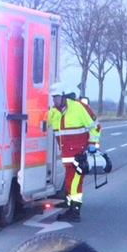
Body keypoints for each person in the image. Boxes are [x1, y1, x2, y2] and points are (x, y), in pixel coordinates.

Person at [46, 82, 101, 222]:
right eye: (53, 98)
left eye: (56, 97)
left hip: (80, 156)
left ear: (64, 96)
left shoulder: (78, 107)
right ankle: (71, 209)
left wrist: (92, 144)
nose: (54, 100)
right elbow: (43, 121)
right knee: (70, 183)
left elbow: (95, 127)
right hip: (67, 158)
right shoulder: (54, 112)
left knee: (74, 184)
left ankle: (75, 212)